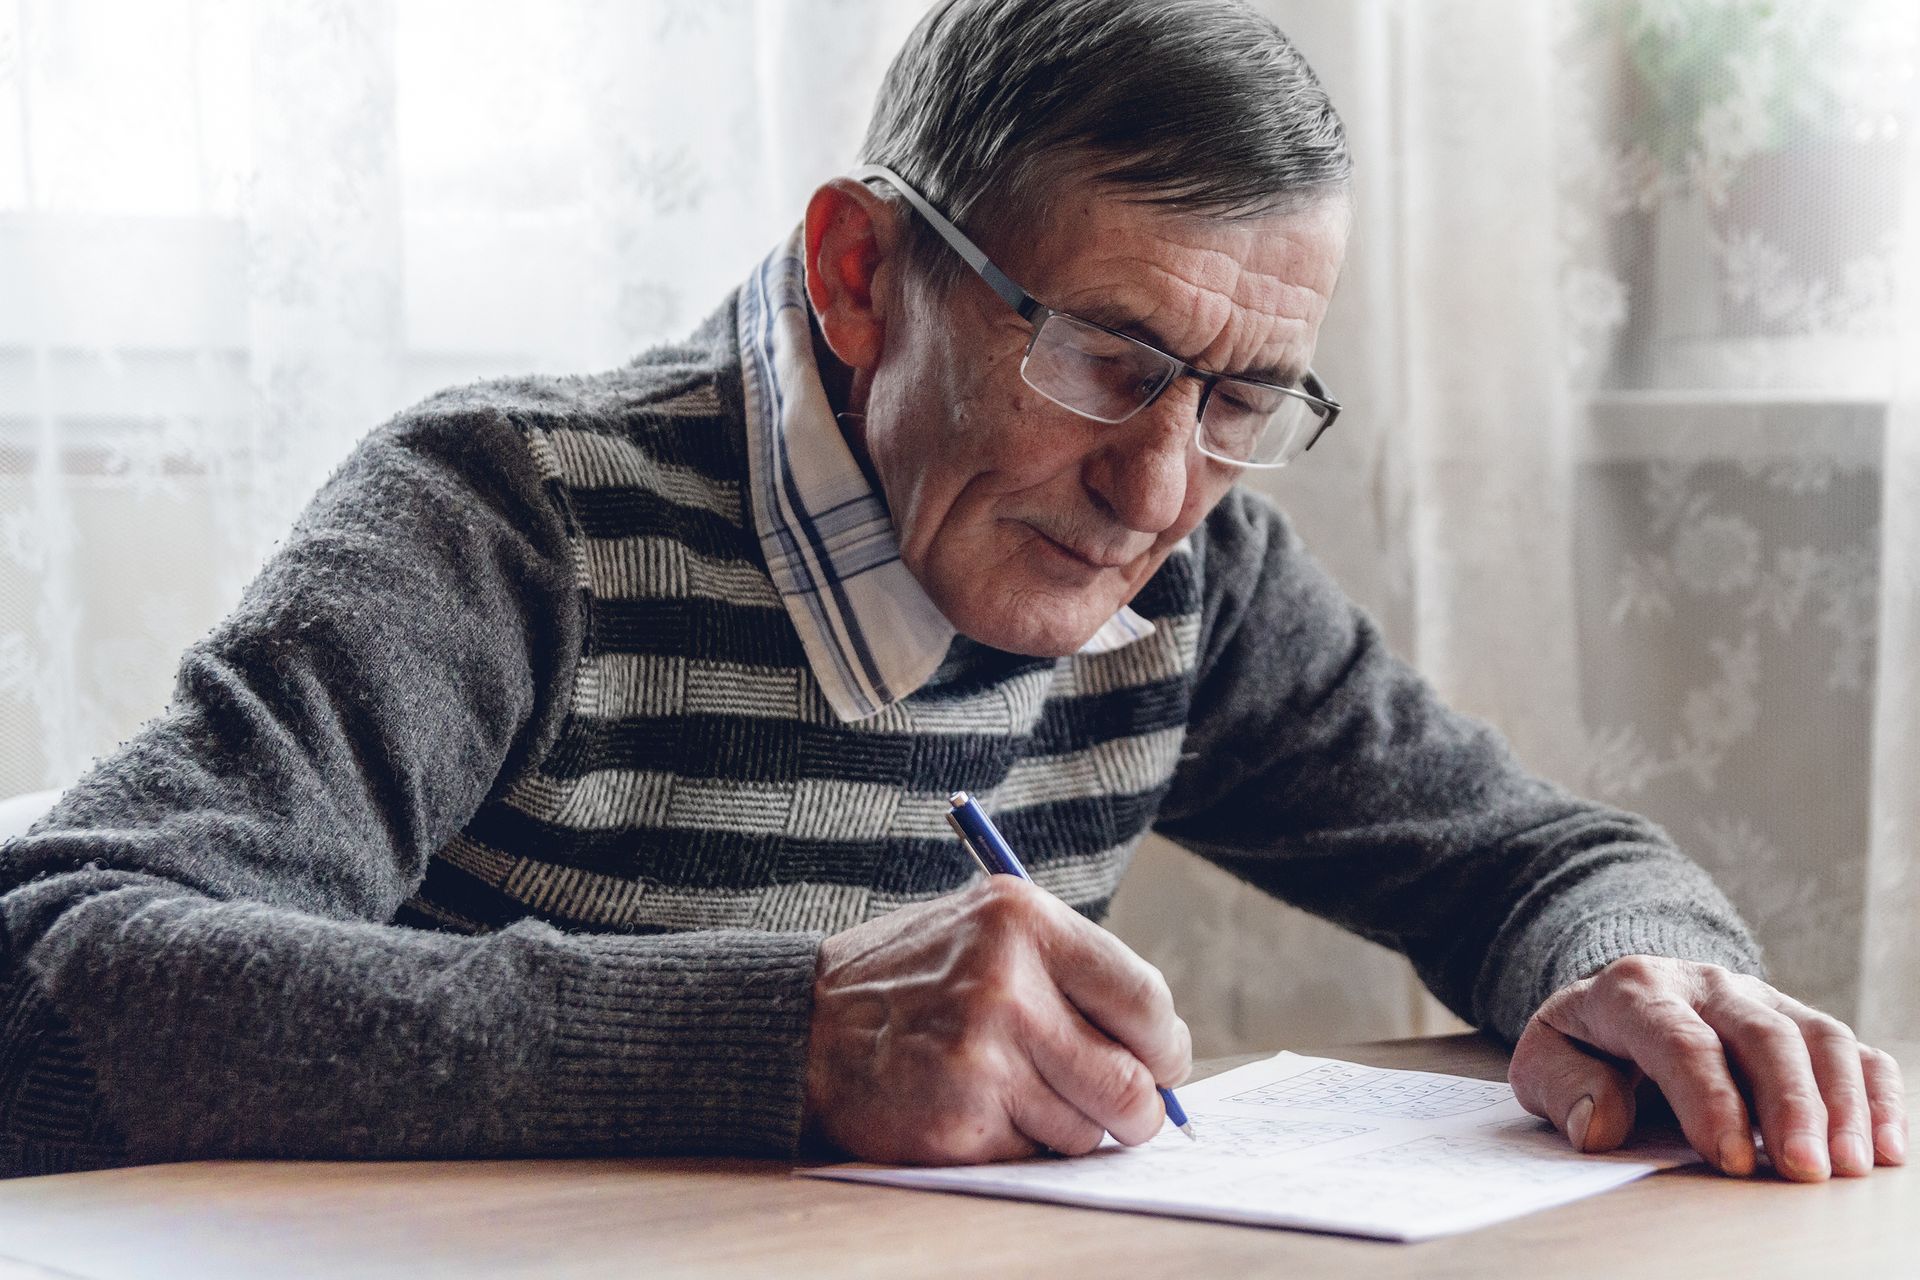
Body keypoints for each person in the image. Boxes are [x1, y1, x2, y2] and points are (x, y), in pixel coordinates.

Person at [0, 0, 1901, 1182]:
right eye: (1100, 355)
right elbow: (48, 981)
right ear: (856, 274)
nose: (1159, 488)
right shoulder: (506, 519)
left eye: (1244, 397)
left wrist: (1652, 975)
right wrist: (789, 1043)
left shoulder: (1197, 568)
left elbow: (1531, 859)